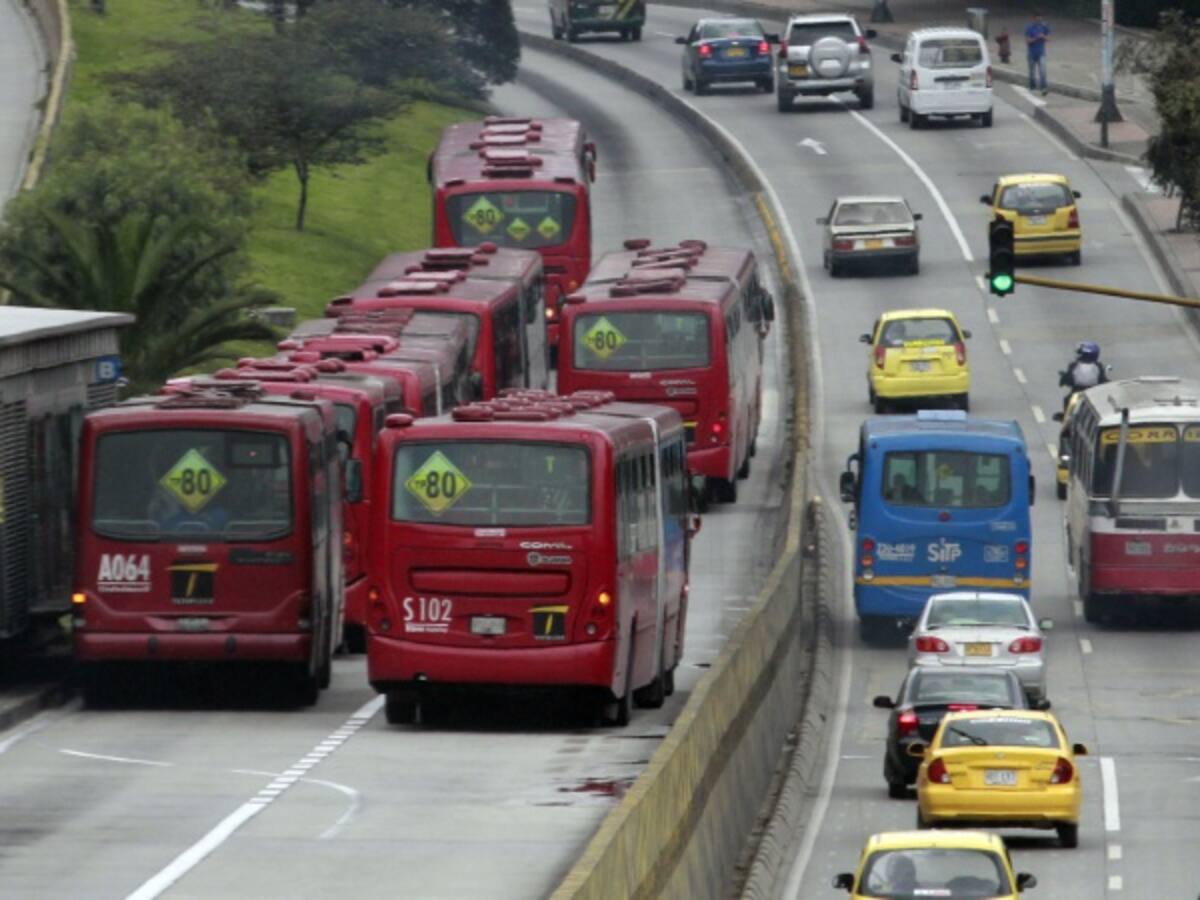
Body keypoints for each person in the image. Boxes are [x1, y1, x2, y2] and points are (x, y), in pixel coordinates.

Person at [1025, 12, 1050, 95]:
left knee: (1043, 71)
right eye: (1037, 19)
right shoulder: (1029, 28)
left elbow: (1049, 38)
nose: (1039, 21)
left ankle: (1044, 88)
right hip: (1031, 53)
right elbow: (1028, 41)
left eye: (1040, 19)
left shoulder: (1044, 27)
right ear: (1034, 19)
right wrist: (1036, 38)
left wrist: (1043, 37)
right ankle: (1032, 85)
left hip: (1041, 53)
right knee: (1032, 72)